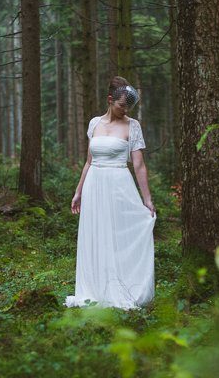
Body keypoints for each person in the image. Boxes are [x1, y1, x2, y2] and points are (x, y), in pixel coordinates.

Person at [65, 76, 156, 310]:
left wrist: (147, 199)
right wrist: (79, 191)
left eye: (128, 106)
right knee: (95, 234)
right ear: (110, 100)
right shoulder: (94, 123)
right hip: (94, 184)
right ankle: (94, 289)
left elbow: (138, 165)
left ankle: (123, 286)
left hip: (119, 185)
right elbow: (88, 161)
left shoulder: (132, 125)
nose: (124, 110)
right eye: (121, 105)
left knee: (117, 235)